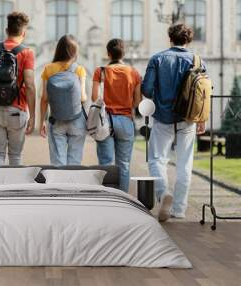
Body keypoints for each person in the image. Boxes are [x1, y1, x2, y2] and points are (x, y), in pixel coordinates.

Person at [142, 24, 207, 222]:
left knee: (156, 159)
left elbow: (147, 90)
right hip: (188, 119)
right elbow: (203, 95)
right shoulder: (198, 60)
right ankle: (179, 209)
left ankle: (163, 194)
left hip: (163, 117)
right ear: (188, 40)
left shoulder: (158, 58)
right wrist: (202, 119)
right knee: (185, 164)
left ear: (170, 37)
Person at [0, 11, 36, 166]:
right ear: (23, 32)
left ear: (6, 30)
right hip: (17, 110)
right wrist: (33, 116)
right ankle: (14, 190)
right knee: (15, 156)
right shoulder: (27, 53)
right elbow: (30, 84)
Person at [92, 39, 142, 193]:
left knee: (106, 164)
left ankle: (107, 198)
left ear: (108, 54)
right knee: (124, 164)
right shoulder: (134, 73)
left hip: (105, 121)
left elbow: (95, 98)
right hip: (126, 121)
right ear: (124, 53)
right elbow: (137, 101)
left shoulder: (100, 71)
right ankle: (123, 199)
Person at [39, 35, 88, 166]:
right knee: (75, 162)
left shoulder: (48, 69)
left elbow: (44, 98)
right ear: (74, 51)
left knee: (58, 162)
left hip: (56, 120)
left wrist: (42, 121)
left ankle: (59, 185)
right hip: (77, 119)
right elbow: (83, 97)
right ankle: (74, 186)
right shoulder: (79, 69)